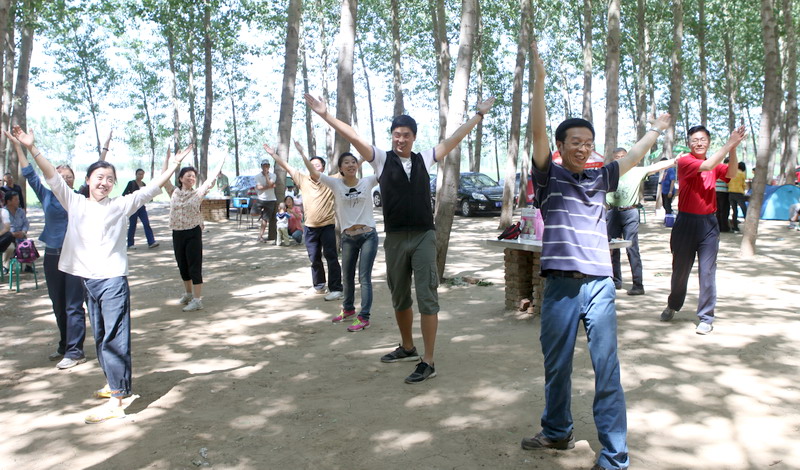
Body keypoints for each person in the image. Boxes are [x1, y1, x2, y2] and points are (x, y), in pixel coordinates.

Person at [520, 41, 671, 470]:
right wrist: (539, 81)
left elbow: (636, 155)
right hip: (561, 286)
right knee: (557, 366)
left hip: (601, 285)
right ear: (560, 145)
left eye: (588, 143)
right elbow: (536, 132)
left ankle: (615, 456)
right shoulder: (548, 176)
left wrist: (656, 129)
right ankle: (556, 431)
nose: (583, 148)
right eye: (575, 142)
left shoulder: (601, 177)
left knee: (607, 368)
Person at [304, 92, 496, 384]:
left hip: (423, 236)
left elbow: (454, 139)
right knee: (400, 295)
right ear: (392, 136)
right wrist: (325, 114)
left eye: (406, 135)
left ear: (414, 137)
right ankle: (407, 347)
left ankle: (428, 361)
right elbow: (353, 136)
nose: (401, 140)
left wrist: (479, 115)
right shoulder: (381, 159)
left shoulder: (425, 159)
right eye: (396, 135)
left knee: (427, 296)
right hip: (395, 238)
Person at [11, 125, 192, 424]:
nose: (104, 182)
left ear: (114, 184)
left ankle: (117, 401)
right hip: (89, 281)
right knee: (101, 337)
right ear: (88, 180)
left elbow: (151, 188)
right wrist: (32, 148)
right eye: (99, 177)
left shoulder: (121, 205)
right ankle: (116, 384)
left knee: (114, 338)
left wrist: (172, 166)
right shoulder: (74, 202)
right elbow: (50, 175)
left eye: (109, 179)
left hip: (112, 281)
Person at [5, 130, 87, 369]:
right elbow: (30, 173)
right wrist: (19, 147)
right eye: (60, 175)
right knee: (58, 304)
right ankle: (64, 344)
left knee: (73, 304)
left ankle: (75, 351)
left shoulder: (80, 198)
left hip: (76, 257)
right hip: (52, 256)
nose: (65, 179)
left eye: (69, 176)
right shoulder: (47, 196)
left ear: (74, 180)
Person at [660, 124, 746, 335]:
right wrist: (729, 143)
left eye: (703, 139)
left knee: (707, 271)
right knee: (680, 270)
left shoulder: (715, 162)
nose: (699, 143)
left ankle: (706, 316)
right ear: (689, 143)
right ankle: (673, 304)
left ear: (709, 142)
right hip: (686, 223)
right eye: (695, 140)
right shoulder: (686, 161)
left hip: (708, 223)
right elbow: (707, 166)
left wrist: (733, 148)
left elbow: (731, 172)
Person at [297, 144, 379, 332]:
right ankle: (348, 309)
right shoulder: (335, 184)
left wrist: (370, 155)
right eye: (346, 163)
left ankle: (364, 317)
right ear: (340, 168)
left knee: (364, 277)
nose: (350, 165)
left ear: (357, 165)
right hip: (348, 237)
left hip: (368, 235)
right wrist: (302, 153)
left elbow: (383, 169)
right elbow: (314, 173)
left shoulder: (367, 182)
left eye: (353, 162)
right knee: (347, 276)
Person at [264, 144, 343, 301]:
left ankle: (336, 289)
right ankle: (319, 285)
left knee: (331, 257)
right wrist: (273, 154)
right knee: (314, 258)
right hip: (310, 227)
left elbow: (349, 167)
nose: (314, 167)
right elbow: (285, 165)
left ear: (323, 168)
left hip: (327, 226)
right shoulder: (302, 179)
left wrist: (362, 158)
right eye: (311, 165)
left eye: (317, 165)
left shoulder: (331, 180)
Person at [606, 148, 677, 295]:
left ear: (627, 158)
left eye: (623, 156)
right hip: (612, 213)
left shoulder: (636, 171)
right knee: (612, 248)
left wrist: (675, 161)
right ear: (613, 159)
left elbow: (655, 167)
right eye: (617, 157)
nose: (620, 159)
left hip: (630, 212)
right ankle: (615, 281)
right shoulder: (609, 172)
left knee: (632, 248)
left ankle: (638, 285)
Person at [162, 150, 225, 312]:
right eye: (188, 175)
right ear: (180, 178)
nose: (191, 178)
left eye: (193, 176)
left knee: (194, 265)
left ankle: (197, 300)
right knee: (182, 265)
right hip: (177, 232)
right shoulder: (173, 192)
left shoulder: (198, 193)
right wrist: (168, 159)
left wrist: (222, 158)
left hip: (193, 232)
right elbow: (164, 177)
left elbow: (211, 178)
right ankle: (188, 294)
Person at [123, 169, 159, 249]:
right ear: (136, 174)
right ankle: (130, 244)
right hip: (133, 207)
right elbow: (124, 194)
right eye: (139, 174)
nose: (141, 176)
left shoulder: (143, 184)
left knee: (146, 223)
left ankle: (151, 242)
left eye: (142, 174)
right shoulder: (131, 183)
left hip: (141, 207)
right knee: (133, 225)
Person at [1, 190, 28, 271]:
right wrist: (12, 234)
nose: (18, 201)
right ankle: (5, 266)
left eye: (18, 199)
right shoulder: (3, 212)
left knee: (28, 245)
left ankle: (27, 265)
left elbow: (26, 223)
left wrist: (23, 232)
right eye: (16, 199)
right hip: (8, 238)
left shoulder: (21, 211)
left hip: (21, 236)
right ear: (9, 201)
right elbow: (3, 228)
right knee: (10, 248)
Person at [253, 159, 277, 243]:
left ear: (269, 166)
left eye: (267, 165)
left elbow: (270, 183)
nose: (265, 167)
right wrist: (269, 186)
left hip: (271, 199)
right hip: (260, 198)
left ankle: (260, 236)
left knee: (265, 219)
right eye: (264, 165)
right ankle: (261, 214)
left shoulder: (273, 175)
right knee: (253, 212)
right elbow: (259, 187)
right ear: (261, 166)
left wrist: (267, 176)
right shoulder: (257, 176)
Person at [728, 161, 747, 232]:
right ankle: (748, 225)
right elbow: (743, 184)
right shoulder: (742, 174)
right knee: (744, 210)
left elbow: (728, 182)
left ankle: (735, 227)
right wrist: (743, 190)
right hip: (739, 193)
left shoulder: (732, 173)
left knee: (734, 210)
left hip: (731, 193)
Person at [715, 159, 731, 232]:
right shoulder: (726, 170)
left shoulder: (718, 168)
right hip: (724, 191)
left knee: (718, 210)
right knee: (724, 210)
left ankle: (718, 226)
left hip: (716, 191)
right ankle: (724, 227)